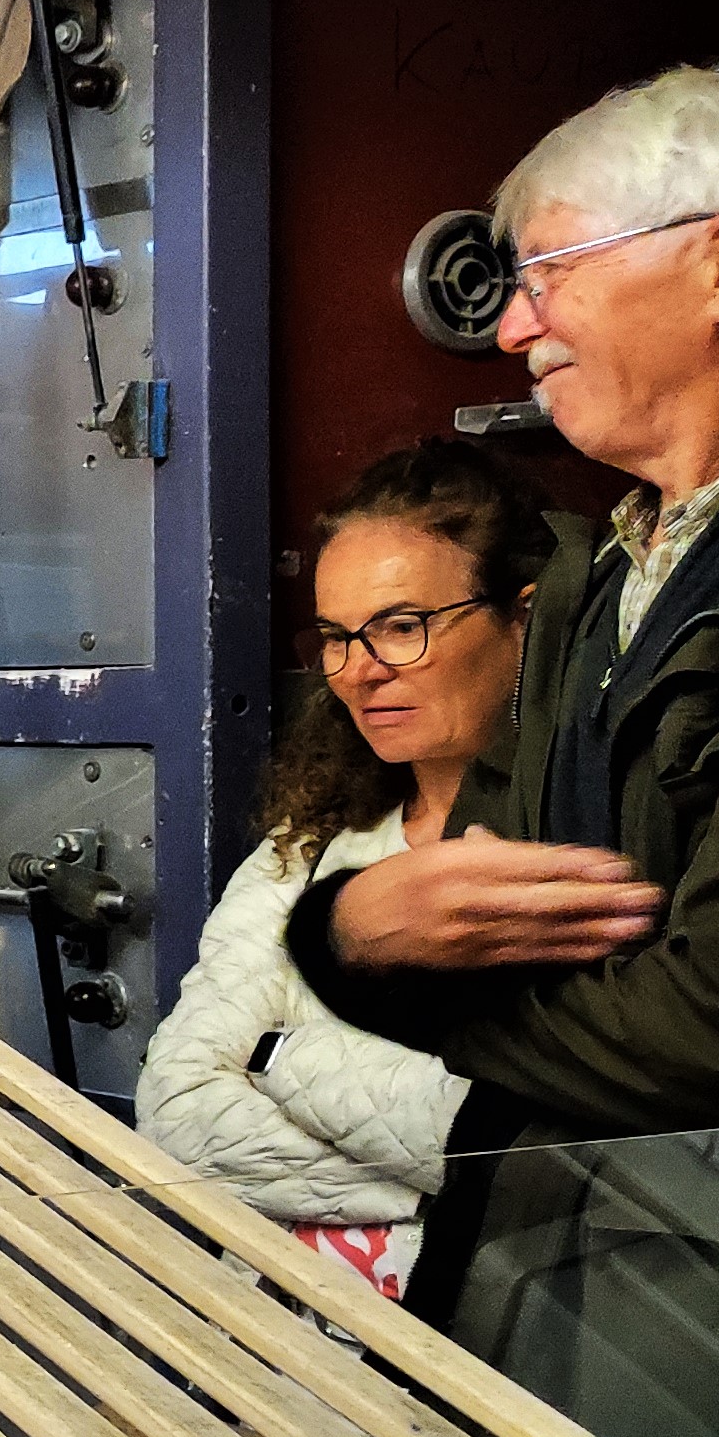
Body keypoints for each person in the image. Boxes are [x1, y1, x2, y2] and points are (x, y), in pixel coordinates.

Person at [285, 64, 719, 1437]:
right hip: (536, 1307)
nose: (513, 326)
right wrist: (356, 930)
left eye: (547, 275)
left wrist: (370, 960)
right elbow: (484, 898)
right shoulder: (601, 578)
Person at [135, 442, 549, 1300]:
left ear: (525, 616)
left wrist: (282, 1059)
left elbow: (566, 1144)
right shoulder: (314, 846)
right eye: (335, 638)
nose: (358, 672)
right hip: (277, 1362)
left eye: (403, 627)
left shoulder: (567, 848)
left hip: (490, 1361)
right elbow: (176, 1109)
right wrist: (468, 1190)